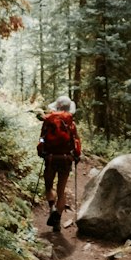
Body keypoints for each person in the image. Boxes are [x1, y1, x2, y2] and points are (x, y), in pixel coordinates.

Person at [38, 95, 81, 229]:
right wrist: (76, 156)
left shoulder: (48, 121)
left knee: (49, 186)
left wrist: (41, 151)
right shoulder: (71, 123)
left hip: (50, 158)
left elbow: (42, 139)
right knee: (61, 191)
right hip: (65, 159)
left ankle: (52, 209)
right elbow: (76, 141)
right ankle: (57, 217)